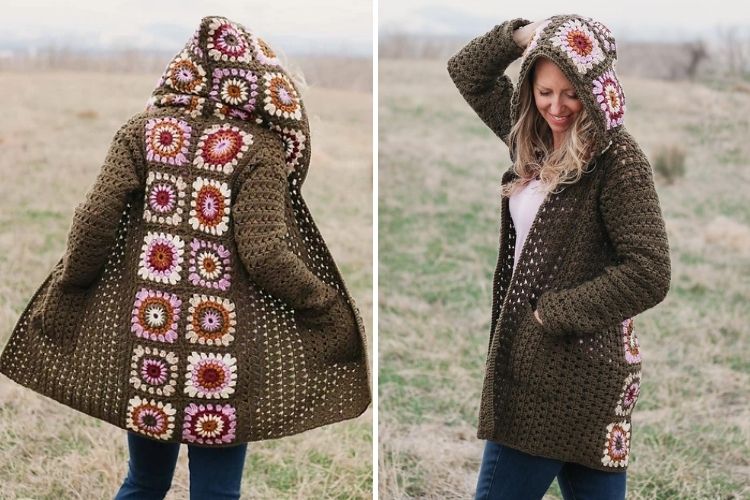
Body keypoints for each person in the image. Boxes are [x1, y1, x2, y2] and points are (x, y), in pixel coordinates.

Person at [0, 15, 371, 499]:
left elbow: (93, 221)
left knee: (144, 481)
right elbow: (266, 254)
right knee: (216, 494)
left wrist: (73, 282)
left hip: (149, 340)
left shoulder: (141, 132)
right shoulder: (259, 148)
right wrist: (320, 300)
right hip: (220, 352)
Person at [447, 14, 671, 499]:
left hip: (560, 377)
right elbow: (467, 71)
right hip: (574, 374)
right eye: (545, 91)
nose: (557, 106)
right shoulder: (532, 137)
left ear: (595, 89)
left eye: (570, 92)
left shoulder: (617, 159)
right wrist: (524, 37)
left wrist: (550, 313)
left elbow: (650, 272)